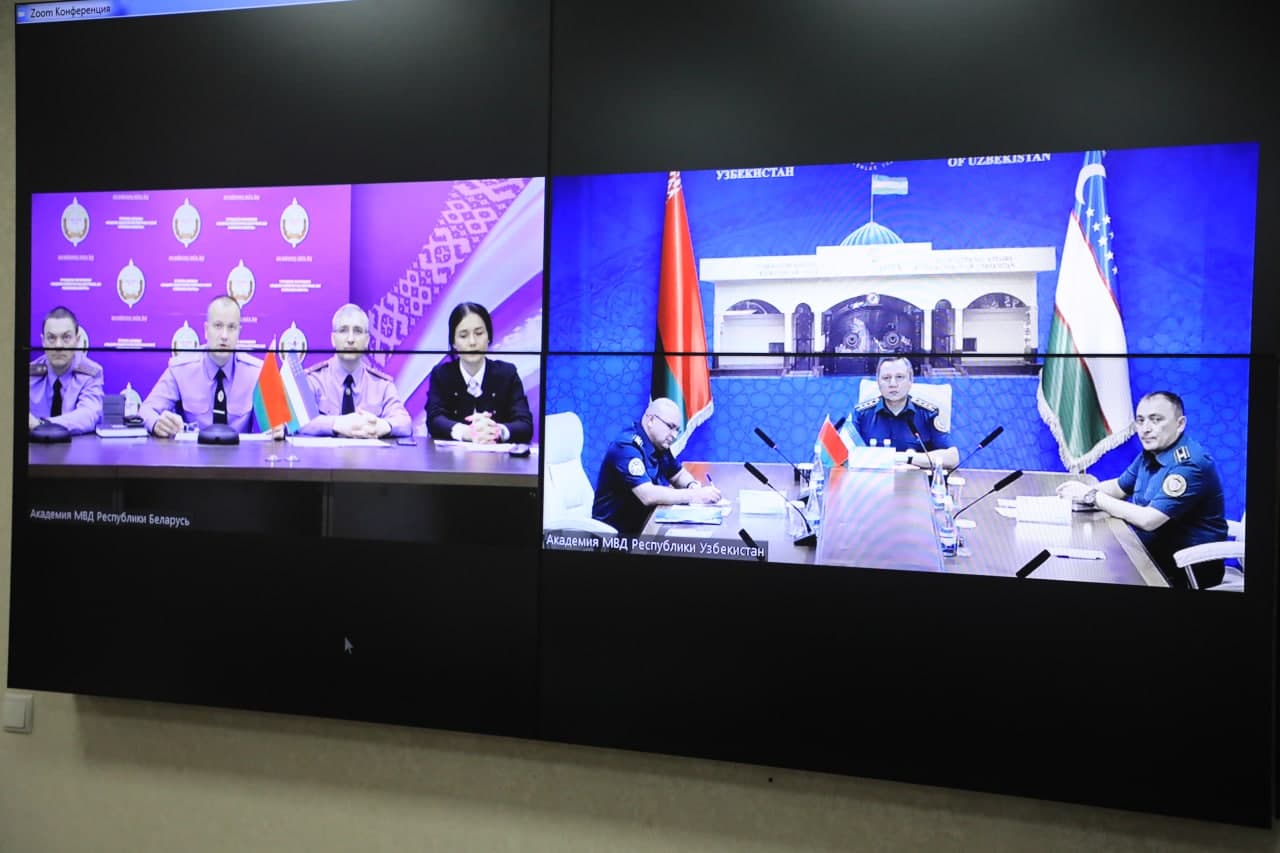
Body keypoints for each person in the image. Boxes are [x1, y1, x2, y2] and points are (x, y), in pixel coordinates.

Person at [1056, 391, 1229, 589]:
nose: (1145, 429)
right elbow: (1119, 487)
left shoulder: (1189, 464)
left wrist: (1091, 496)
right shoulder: (1152, 452)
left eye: (1156, 420)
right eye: (1140, 420)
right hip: (1151, 553)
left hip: (1187, 568)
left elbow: (1149, 520)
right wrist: (1077, 493)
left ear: (1180, 424)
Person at [139, 295, 271, 437]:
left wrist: (279, 429)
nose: (224, 336)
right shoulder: (180, 369)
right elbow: (146, 410)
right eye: (218, 326)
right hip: (192, 451)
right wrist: (156, 423)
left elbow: (281, 424)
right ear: (206, 330)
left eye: (231, 327)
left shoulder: (257, 373)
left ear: (239, 332)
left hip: (240, 451)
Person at [591, 397, 724, 534]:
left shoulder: (659, 444)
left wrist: (692, 485)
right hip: (617, 536)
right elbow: (648, 495)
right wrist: (694, 495)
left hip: (646, 525)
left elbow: (678, 475)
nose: (674, 435)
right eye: (670, 427)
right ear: (651, 420)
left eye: (677, 430)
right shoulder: (626, 447)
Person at [426, 302, 533, 444]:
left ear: (489, 337)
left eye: (479, 333)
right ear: (453, 342)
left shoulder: (507, 374)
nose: (472, 342)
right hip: (452, 457)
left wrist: (496, 431)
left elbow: (525, 424)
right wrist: (466, 433)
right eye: (463, 335)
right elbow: (434, 420)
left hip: (499, 456)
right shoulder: (441, 375)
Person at [300, 303, 411, 438]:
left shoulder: (382, 386)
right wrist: (337, 424)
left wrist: (384, 426)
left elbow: (405, 423)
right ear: (333, 339)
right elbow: (299, 421)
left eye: (358, 331)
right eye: (343, 330)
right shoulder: (313, 380)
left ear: (367, 340)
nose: (350, 339)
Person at [852, 356, 959, 469]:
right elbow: (844, 455)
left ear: (910, 380)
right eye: (886, 378)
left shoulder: (927, 414)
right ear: (878, 382)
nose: (893, 384)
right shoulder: (861, 414)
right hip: (874, 479)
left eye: (899, 377)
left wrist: (908, 458)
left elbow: (952, 458)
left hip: (915, 479)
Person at [28, 305, 104, 435]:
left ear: (77, 340)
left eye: (66, 337)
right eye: (51, 338)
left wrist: (42, 425)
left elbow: (89, 415)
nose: (58, 345)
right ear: (43, 341)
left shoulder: (91, 373)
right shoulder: (29, 374)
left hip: (76, 446)